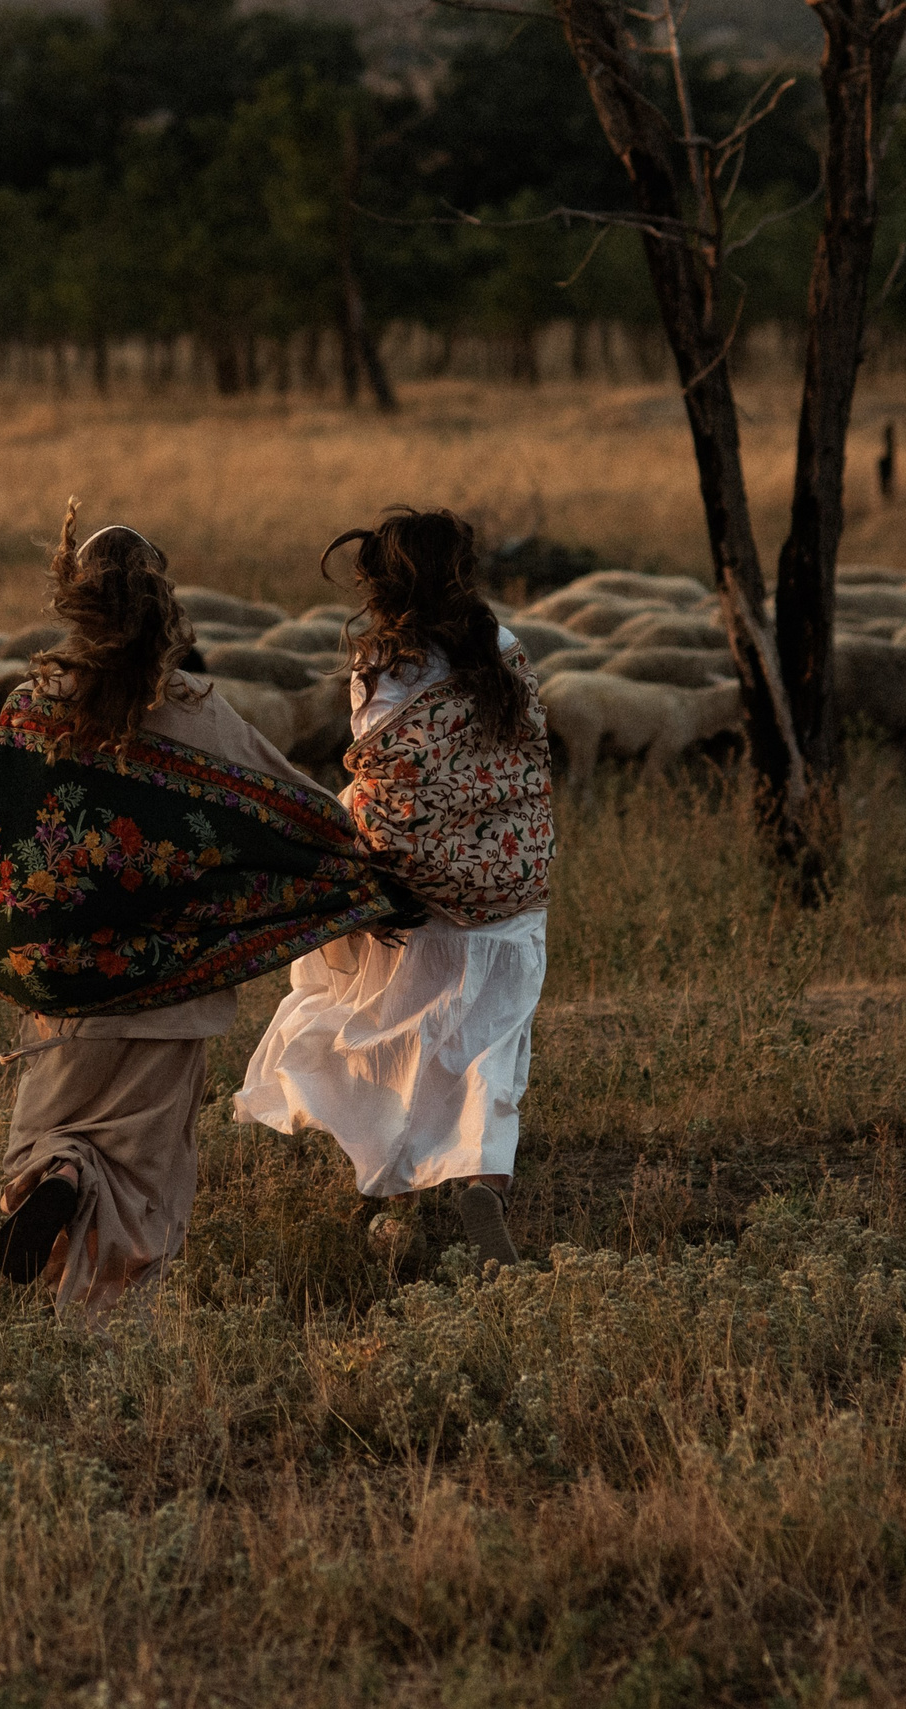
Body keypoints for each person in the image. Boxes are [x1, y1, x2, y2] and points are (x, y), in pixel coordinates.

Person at [0, 503, 417, 1312]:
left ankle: (55, 1174)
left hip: (59, 986)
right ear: (164, 605)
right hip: (169, 987)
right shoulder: (197, 709)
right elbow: (288, 806)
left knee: (56, 1132)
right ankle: (111, 1339)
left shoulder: (31, 702)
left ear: (73, 601)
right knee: (143, 1165)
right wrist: (362, 872)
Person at [232, 508, 556, 1268]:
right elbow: (523, 761)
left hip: (417, 893)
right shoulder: (507, 649)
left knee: (400, 1033)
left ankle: (397, 1200)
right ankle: (485, 1177)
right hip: (507, 893)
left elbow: (390, 781)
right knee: (490, 1051)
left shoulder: (384, 670)